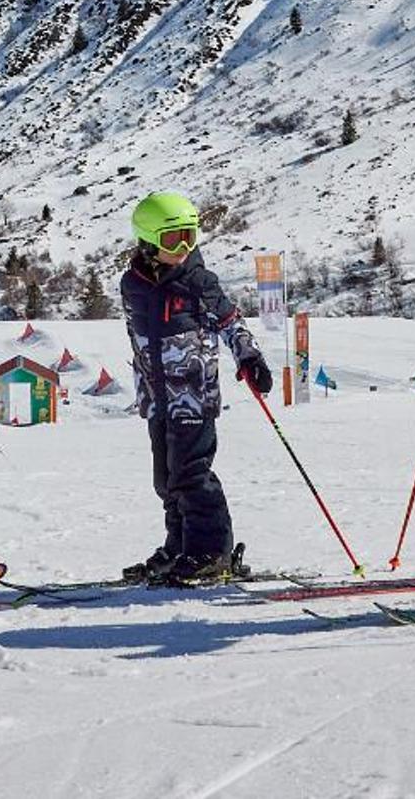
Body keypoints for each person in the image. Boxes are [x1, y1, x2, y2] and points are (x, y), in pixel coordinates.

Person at [119, 191, 271, 586]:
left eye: (190, 236)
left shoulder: (199, 282)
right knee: (166, 480)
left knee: (191, 475)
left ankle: (211, 551)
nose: (184, 247)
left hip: (193, 395)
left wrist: (249, 357)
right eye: (173, 239)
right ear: (147, 241)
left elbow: (231, 322)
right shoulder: (131, 284)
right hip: (156, 398)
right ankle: (180, 546)